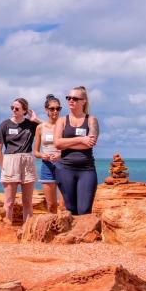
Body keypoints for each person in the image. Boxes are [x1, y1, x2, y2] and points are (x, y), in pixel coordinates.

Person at [54, 86, 100, 215]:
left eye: (75, 98)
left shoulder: (91, 120)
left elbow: (90, 143)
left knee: (84, 211)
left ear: (83, 101)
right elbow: (57, 143)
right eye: (68, 98)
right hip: (66, 169)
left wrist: (66, 143)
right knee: (71, 210)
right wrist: (81, 140)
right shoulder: (62, 120)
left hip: (86, 169)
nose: (71, 101)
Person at [0, 98, 39, 223]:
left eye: (17, 108)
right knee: (9, 202)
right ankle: (6, 230)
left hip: (27, 160)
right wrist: (2, 167)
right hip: (10, 160)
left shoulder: (31, 124)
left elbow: (49, 127)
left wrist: (35, 119)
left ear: (24, 110)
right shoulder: (4, 125)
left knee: (27, 202)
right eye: (12, 108)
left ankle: (29, 231)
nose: (14, 110)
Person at [32, 94, 63, 213]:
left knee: (64, 205)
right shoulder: (40, 128)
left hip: (63, 165)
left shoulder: (64, 125)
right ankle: (54, 230)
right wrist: (42, 155)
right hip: (47, 167)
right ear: (46, 110)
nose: (55, 111)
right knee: (51, 205)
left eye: (58, 108)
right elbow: (35, 152)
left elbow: (70, 146)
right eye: (52, 109)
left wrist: (60, 154)